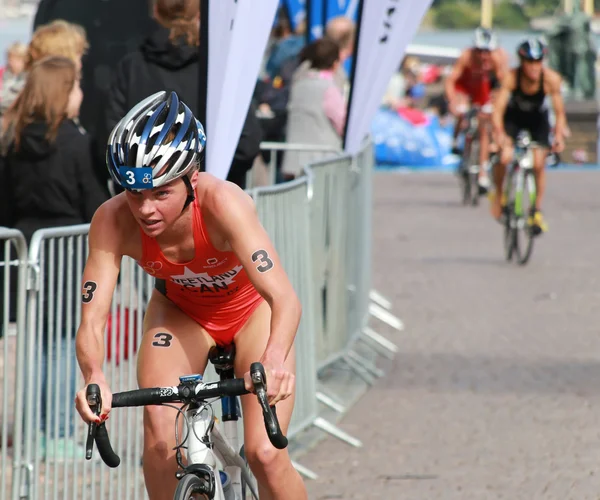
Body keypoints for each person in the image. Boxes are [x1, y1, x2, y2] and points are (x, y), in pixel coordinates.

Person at [75, 91, 307, 500]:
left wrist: (273, 359)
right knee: (161, 439)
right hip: (181, 313)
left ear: (192, 178)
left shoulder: (224, 203)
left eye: (161, 193)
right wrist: (94, 376)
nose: (145, 210)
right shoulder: (111, 220)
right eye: (134, 194)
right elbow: (93, 319)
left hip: (250, 312)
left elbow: (284, 298)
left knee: (265, 453)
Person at [0, 56, 108, 456]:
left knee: (33, 343)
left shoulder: (13, 138)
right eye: (76, 84)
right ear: (63, 92)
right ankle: (59, 432)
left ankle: (33, 432)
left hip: (27, 246)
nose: (81, 92)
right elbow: (95, 203)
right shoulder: (75, 141)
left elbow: (6, 203)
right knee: (64, 342)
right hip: (67, 246)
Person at [102, 0, 261, 191]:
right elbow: (246, 142)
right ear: (199, 14)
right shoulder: (220, 71)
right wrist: (204, 181)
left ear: (155, 11)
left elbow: (112, 140)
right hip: (208, 202)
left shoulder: (131, 68)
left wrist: (149, 184)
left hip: (143, 205)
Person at [491, 38, 566, 233]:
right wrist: (500, 135)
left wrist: (558, 135)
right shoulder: (511, 78)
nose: (534, 67)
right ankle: (500, 195)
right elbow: (497, 112)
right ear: (522, 62)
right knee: (505, 156)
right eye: (529, 62)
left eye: (538, 62)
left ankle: (536, 210)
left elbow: (559, 113)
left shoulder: (551, 79)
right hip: (513, 118)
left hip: (537, 120)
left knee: (539, 164)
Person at [445, 27, 506, 194]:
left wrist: (496, 104)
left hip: (484, 88)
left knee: (485, 125)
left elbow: (504, 86)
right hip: (465, 86)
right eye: (480, 51)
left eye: (487, 51)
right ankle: (456, 140)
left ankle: (482, 174)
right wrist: (452, 102)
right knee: (462, 110)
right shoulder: (466, 56)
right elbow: (451, 81)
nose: (483, 56)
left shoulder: (497, 58)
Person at [282, 38, 346, 180]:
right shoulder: (329, 88)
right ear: (335, 63)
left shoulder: (298, 83)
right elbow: (342, 123)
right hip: (321, 163)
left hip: (294, 161)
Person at [0, 42, 27, 120]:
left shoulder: (30, 76)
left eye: (17, 59)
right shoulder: (2, 73)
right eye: (10, 59)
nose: (12, 62)